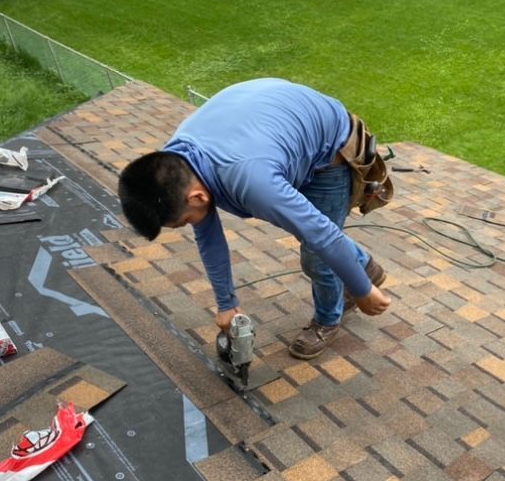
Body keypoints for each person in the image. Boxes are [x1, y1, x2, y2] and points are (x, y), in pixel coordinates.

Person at [118, 78, 391, 359]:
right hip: (274, 133)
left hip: (330, 148)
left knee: (316, 255)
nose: (192, 225)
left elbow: (321, 234)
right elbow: (209, 238)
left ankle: (328, 318)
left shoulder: (253, 181)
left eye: (185, 221)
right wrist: (226, 304)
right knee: (307, 228)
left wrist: (362, 290)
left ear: (197, 197)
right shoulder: (174, 162)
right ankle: (362, 265)